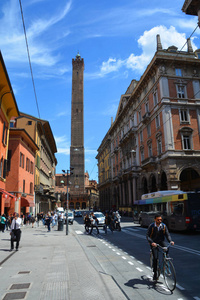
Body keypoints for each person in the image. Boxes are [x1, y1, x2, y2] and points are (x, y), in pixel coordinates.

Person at [146, 214, 174, 281]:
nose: (160, 221)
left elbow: (167, 234)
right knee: (155, 258)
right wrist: (152, 242)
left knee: (166, 247)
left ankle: (166, 259)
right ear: (155, 219)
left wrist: (170, 241)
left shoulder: (163, 226)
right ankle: (155, 273)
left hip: (161, 241)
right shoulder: (152, 226)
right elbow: (147, 236)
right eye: (158, 220)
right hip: (154, 243)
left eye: (161, 219)